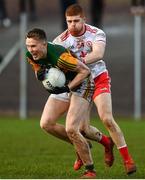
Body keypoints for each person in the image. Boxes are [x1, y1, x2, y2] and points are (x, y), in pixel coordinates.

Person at [53, 4, 137, 175]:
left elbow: (98, 54)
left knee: (106, 118)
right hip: (80, 84)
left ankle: (128, 160)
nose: (73, 24)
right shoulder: (60, 41)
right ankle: (106, 143)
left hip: (98, 79)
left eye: (76, 20)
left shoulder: (96, 33)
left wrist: (74, 62)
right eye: (69, 21)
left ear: (84, 19)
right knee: (82, 128)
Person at [25, 28, 97, 178]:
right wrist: (39, 73)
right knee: (46, 123)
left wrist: (67, 88)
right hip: (65, 83)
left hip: (82, 83)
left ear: (44, 45)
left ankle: (90, 171)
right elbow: (38, 69)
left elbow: (85, 71)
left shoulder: (61, 57)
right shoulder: (31, 55)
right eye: (28, 46)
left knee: (71, 128)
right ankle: (80, 144)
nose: (30, 50)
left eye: (33, 46)